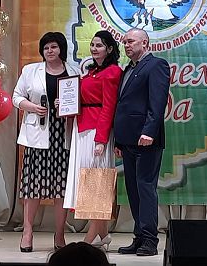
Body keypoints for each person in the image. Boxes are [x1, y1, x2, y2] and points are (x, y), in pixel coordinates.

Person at [12, 32, 82, 252]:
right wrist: (33, 107)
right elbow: (16, 97)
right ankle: (27, 232)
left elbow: (80, 101)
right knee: (32, 187)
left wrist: (68, 106)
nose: (49, 51)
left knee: (61, 189)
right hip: (37, 135)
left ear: (61, 49)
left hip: (63, 136)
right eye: (46, 48)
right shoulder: (30, 70)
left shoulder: (74, 72)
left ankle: (59, 234)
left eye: (53, 47)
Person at [113, 28, 170, 256]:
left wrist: (149, 131)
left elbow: (158, 102)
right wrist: (119, 140)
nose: (126, 45)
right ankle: (139, 237)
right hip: (128, 139)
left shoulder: (156, 65)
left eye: (131, 41)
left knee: (145, 188)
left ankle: (150, 240)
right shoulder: (128, 68)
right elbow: (123, 105)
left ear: (145, 43)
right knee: (133, 190)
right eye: (125, 42)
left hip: (146, 139)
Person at [63, 30, 122, 251]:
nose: (94, 48)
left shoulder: (112, 72)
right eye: (93, 45)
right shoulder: (91, 72)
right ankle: (103, 236)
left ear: (109, 48)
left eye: (99, 45)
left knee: (96, 183)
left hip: (96, 130)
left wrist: (101, 139)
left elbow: (109, 106)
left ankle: (88, 241)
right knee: (89, 181)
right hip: (83, 129)